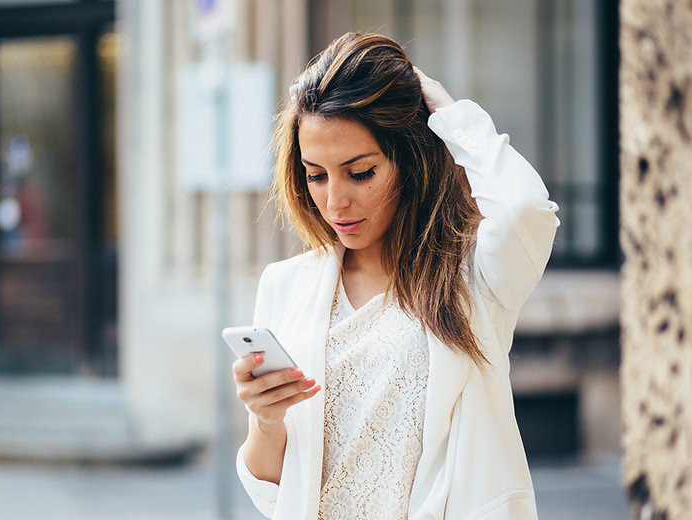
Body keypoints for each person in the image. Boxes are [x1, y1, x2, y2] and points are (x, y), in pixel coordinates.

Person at [231, 32, 559, 520]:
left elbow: (525, 210)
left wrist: (447, 114)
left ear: (409, 161)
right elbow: (271, 491)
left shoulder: (470, 276)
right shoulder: (286, 286)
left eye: (360, 172)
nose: (335, 201)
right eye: (316, 175)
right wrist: (266, 418)